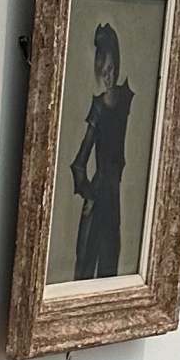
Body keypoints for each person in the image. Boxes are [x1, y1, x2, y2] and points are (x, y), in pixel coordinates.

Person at [69, 20, 135, 281]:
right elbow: (80, 161)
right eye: (105, 71)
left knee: (109, 267)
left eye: (112, 68)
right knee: (85, 266)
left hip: (113, 198)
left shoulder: (125, 99)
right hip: (98, 196)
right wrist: (88, 193)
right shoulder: (98, 108)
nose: (110, 75)